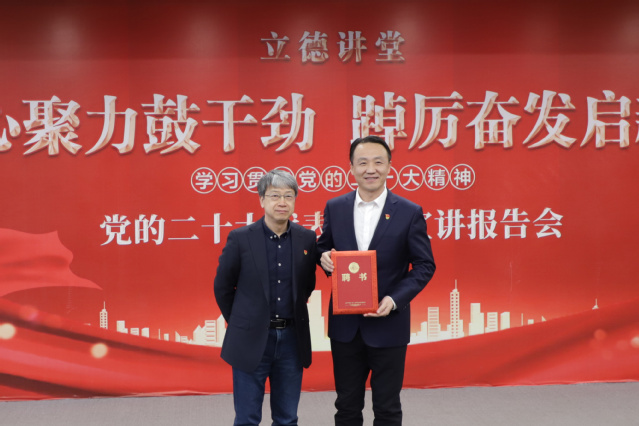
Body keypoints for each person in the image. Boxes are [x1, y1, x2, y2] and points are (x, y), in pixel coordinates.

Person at [317, 136, 436, 426]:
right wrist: (324, 258)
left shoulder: (409, 211)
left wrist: (394, 300)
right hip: (345, 327)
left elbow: (424, 265)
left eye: (378, 162)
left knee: (387, 408)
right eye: (363, 163)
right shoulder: (335, 207)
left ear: (389, 166)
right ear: (351, 168)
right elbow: (323, 246)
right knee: (346, 406)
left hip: (388, 325)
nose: (371, 169)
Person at [214, 169, 317, 426]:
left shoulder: (306, 238)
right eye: (274, 195)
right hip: (250, 339)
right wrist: (243, 321)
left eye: (288, 196)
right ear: (262, 200)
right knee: (247, 418)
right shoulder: (240, 238)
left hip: (292, 340)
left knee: (287, 418)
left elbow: (307, 285)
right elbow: (222, 287)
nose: (282, 202)